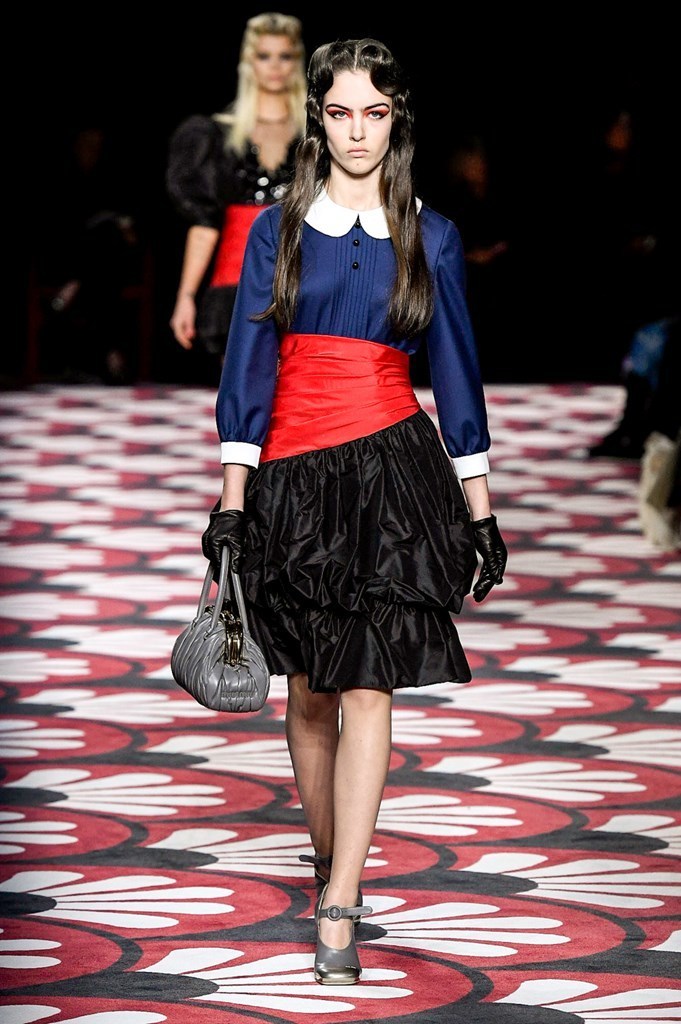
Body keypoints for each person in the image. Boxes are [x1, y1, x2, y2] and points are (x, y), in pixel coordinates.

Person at [201, 37, 508, 985]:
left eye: (374, 113)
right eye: (340, 113)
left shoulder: (429, 234)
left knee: (369, 683)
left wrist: (479, 510)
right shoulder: (279, 230)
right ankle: (333, 853)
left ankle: (340, 895)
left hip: (390, 476)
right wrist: (231, 503)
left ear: (396, 118)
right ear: (319, 118)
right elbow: (248, 365)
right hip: (294, 477)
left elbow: (454, 369)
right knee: (308, 691)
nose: (357, 132)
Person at [166, 12, 307, 372]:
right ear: (249, 62)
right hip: (236, 282)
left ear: (297, 61)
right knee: (245, 393)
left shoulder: (317, 133)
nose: (274, 66)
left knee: (301, 393)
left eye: (284, 56)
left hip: (303, 276)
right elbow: (205, 223)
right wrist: (186, 296)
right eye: (264, 55)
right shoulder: (217, 135)